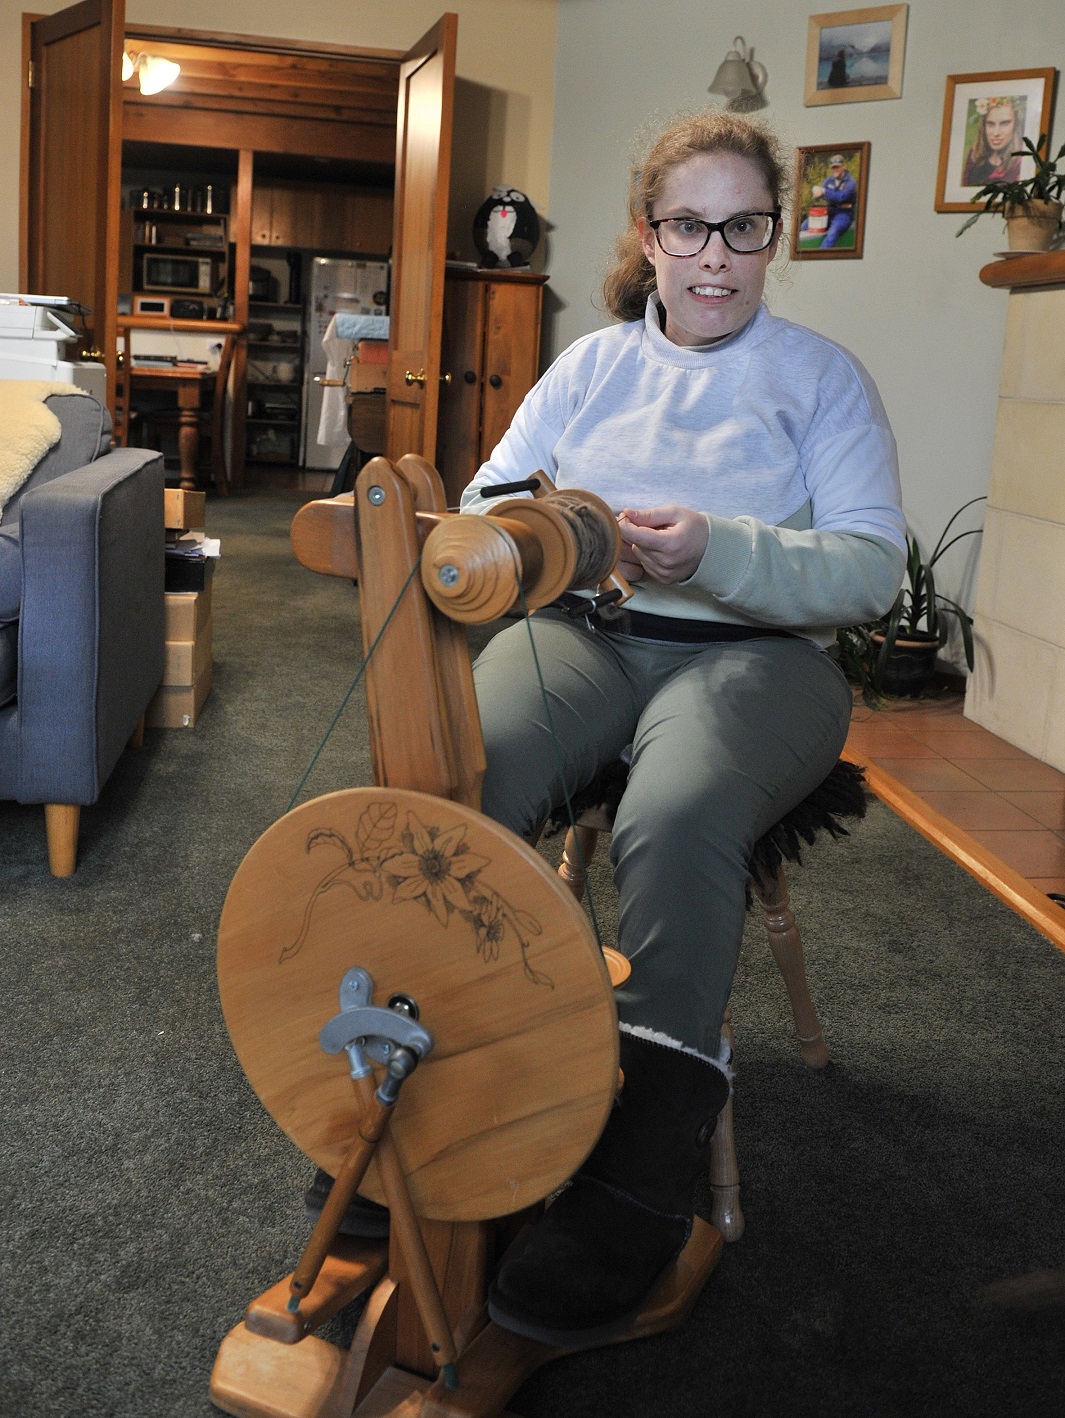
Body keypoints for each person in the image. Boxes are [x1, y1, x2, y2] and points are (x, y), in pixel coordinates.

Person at [460, 108, 906, 1348]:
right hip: (593, 632)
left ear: (774, 240)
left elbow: (871, 569)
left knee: (677, 806)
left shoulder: (820, 378)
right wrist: (550, 528)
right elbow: (487, 498)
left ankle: (635, 1178)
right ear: (648, 236)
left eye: (743, 229)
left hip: (765, 660)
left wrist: (721, 549)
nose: (716, 256)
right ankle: (442, 1092)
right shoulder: (593, 365)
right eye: (688, 227)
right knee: (467, 764)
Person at [962, 97, 1024, 187]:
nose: (996, 133)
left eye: (1004, 123)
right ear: (983, 126)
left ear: (1016, 125)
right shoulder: (975, 155)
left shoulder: (1020, 161)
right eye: (990, 124)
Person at [802, 153, 857, 249]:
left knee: (833, 232)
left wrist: (824, 192)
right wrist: (816, 191)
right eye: (833, 168)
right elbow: (820, 193)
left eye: (837, 167)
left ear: (843, 166)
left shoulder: (850, 182)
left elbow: (842, 197)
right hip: (830, 211)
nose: (835, 170)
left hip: (844, 213)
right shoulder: (829, 180)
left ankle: (820, 255)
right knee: (805, 225)